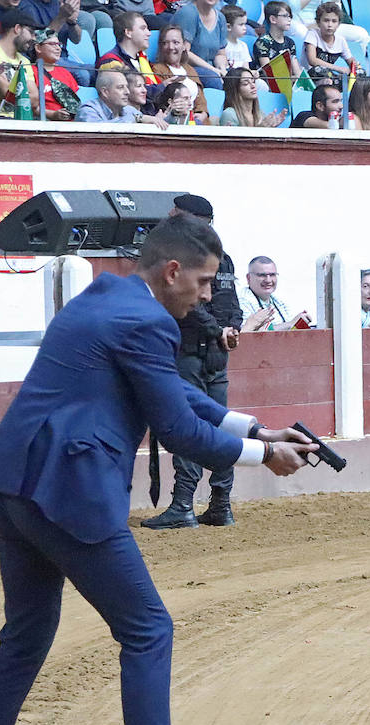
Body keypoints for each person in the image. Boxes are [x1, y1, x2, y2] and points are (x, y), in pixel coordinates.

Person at [0, 214, 316, 725]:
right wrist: (262, 457)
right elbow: (177, 430)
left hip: (12, 484)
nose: (205, 293)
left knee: (24, 640)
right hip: (71, 492)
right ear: (172, 271)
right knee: (147, 628)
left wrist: (253, 427)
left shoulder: (106, 294)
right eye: (201, 280)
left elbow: (172, 394)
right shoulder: (147, 321)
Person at [142, 194, 245, 529]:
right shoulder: (222, 258)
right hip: (217, 350)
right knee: (222, 425)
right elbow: (232, 304)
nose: (170, 217)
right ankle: (221, 505)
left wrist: (220, 331)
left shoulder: (180, 258)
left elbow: (191, 307)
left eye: (177, 213)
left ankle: (184, 504)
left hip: (190, 351)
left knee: (190, 425)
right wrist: (231, 330)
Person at [0, 8, 39, 119]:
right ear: (17, 28)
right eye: (31, 32)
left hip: (20, 119)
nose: (34, 38)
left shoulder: (25, 61)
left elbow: (35, 100)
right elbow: (7, 94)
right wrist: (24, 96)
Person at [151, 25, 211, 123]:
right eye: (166, 43)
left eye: (176, 42)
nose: (171, 47)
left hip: (198, 122)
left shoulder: (190, 70)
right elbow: (160, 100)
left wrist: (203, 113)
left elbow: (201, 100)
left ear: (184, 46)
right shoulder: (157, 69)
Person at [170, 0, 228, 89]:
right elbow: (184, 52)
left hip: (211, 69)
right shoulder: (187, 13)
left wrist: (222, 70)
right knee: (213, 79)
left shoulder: (220, 17)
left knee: (239, 78)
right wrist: (213, 70)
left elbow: (220, 54)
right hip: (185, 67)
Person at [303, 0, 354, 89]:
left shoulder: (341, 40)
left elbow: (351, 61)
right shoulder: (312, 34)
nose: (330, 25)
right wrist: (338, 68)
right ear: (318, 22)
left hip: (331, 75)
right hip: (312, 75)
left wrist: (356, 67)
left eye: (334, 21)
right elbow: (312, 60)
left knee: (360, 73)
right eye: (326, 21)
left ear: (338, 24)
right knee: (320, 70)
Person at [97, 10, 157, 84]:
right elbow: (130, 91)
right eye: (143, 28)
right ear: (128, 33)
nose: (149, 33)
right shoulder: (110, 61)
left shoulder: (143, 59)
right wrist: (163, 86)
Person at [253, 0, 302, 89]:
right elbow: (268, 73)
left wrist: (297, 79)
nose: (289, 19)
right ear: (273, 19)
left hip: (288, 84)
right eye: (285, 16)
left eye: (290, 16)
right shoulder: (263, 42)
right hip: (269, 86)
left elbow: (297, 72)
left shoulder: (290, 42)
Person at [34, 28, 79, 120]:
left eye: (59, 44)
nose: (58, 48)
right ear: (38, 48)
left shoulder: (65, 73)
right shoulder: (31, 72)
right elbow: (28, 105)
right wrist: (53, 114)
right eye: (52, 44)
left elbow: (75, 102)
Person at [239, 256, 295, 330]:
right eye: (262, 275)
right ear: (249, 278)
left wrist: (299, 323)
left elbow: (289, 330)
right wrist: (290, 324)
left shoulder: (279, 302)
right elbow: (246, 333)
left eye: (272, 275)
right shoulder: (241, 301)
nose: (268, 280)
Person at [220, 67, 286, 126]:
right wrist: (260, 130)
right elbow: (236, 140)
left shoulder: (260, 114)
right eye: (246, 83)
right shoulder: (229, 114)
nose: (253, 86)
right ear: (235, 90)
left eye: (253, 81)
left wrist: (271, 128)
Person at [77, 66, 142, 122]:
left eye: (127, 87)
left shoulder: (129, 110)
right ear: (105, 92)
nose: (127, 92)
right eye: (120, 87)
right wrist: (136, 119)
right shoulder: (87, 111)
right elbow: (101, 132)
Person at [222, 5, 252, 73]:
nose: (245, 28)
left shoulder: (243, 45)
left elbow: (246, 69)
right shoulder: (222, 46)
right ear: (228, 27)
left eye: (245, 24)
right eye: (241, 25)